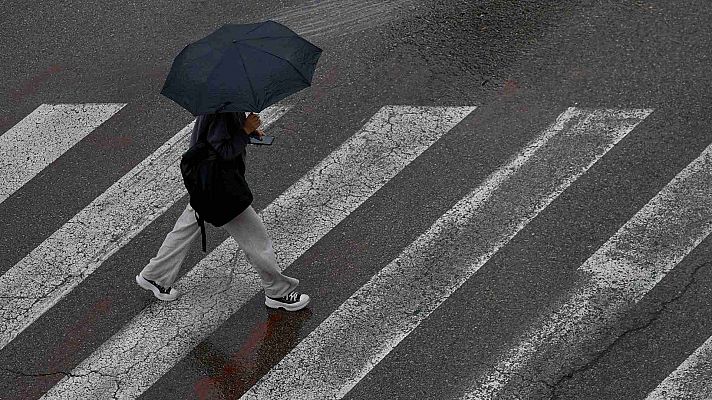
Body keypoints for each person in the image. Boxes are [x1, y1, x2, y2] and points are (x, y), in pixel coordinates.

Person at [135, 111, 309, 311]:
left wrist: (247, 133)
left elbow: (214, 140)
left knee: (187, 227)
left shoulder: (220, 101)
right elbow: (222, 151)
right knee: (256, 240)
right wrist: (245, 130)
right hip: (222, 189)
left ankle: (155, 275)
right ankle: (279, 292)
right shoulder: (222, 110)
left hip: (205, 184)